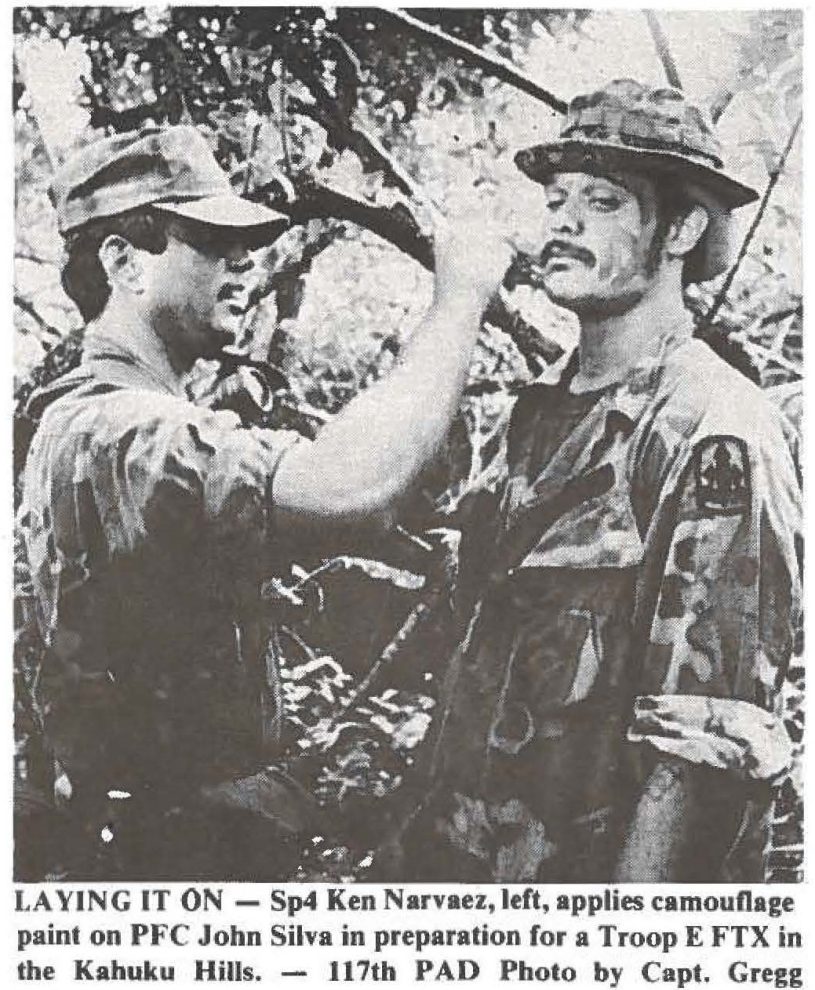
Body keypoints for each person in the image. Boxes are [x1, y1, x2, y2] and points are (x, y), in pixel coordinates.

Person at [15, 124, 511, 880]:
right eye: (208, 241)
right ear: (122, 262)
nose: (244, 263)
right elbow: (351, 490)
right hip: (164, 862)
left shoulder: (82, 418)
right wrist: (460, 295)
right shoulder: (127, 431)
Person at [390, 79, 802, 883]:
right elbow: (459, 650)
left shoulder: (712, 427)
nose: (564, 223)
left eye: (604, 202)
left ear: (680, 230)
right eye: (555, 199)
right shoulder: (538, 413)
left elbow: (700, 745)